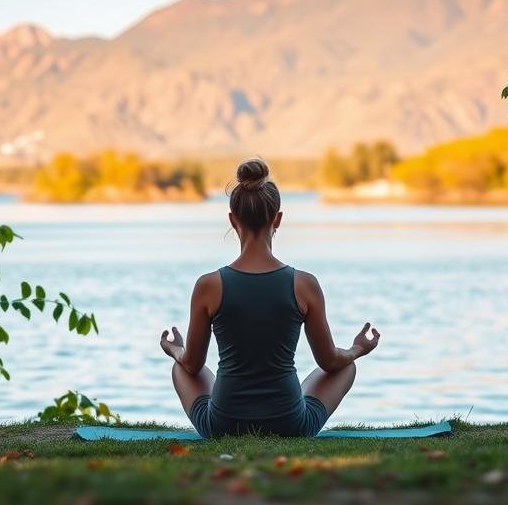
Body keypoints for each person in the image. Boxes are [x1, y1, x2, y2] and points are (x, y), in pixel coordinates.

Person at [159, 157, 381, 438]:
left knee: (182, 369)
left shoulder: (209, 285)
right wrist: (357, 349)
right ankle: (288, 402)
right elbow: (329, 362)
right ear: (277, 218)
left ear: (232, 219)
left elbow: (191, 364)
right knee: (346, 367)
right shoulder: (304, 284)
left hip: (224, 425)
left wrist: (174, 350)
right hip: (290, 424)